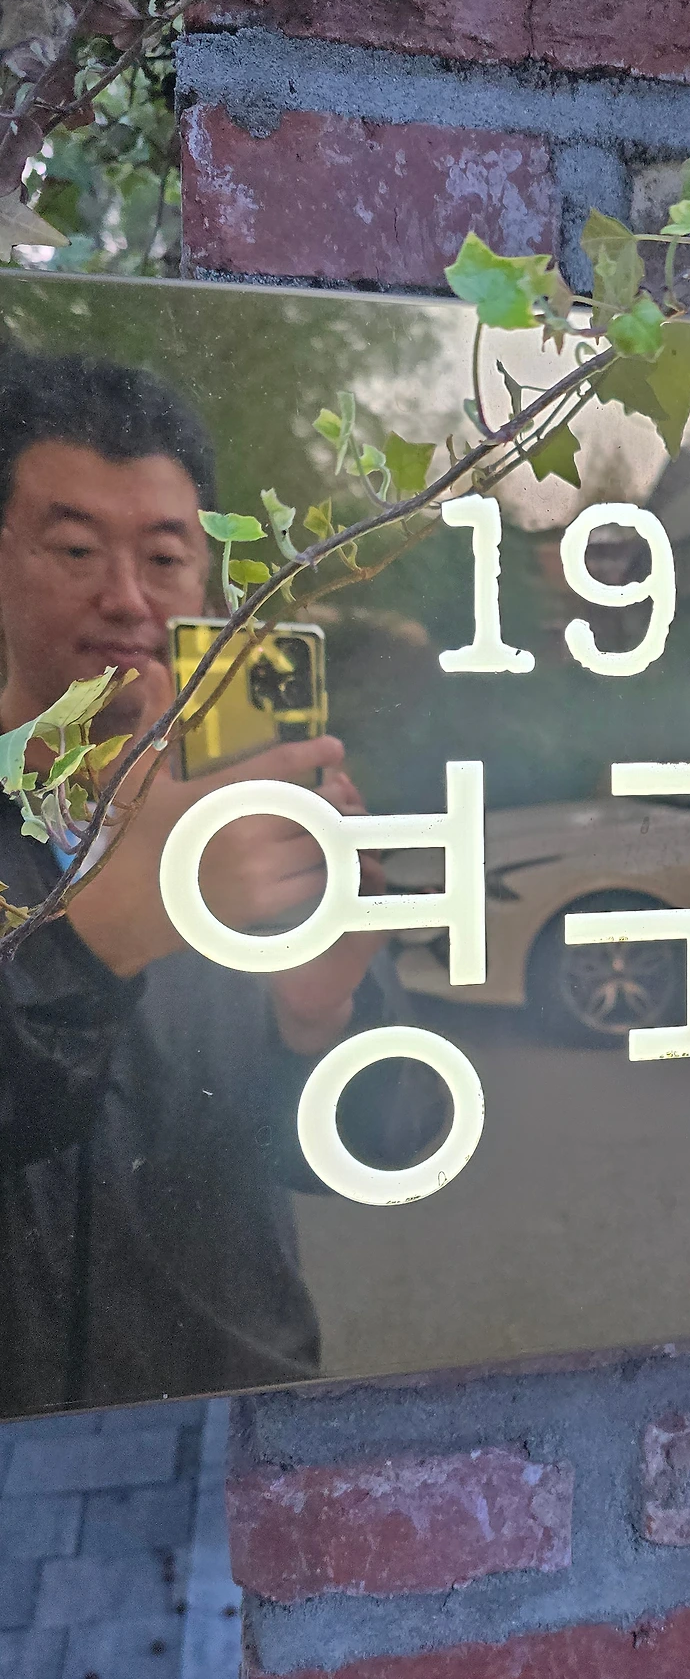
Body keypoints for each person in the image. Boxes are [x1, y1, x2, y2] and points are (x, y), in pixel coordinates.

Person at [0, 349, 430, 1415]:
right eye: (74, 548)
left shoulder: (253, 817)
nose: (125, 598)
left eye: (164, 556)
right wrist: (103, 933)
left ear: (204, 578)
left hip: (239, 1419)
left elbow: (383, 1144)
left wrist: (323, 1015)